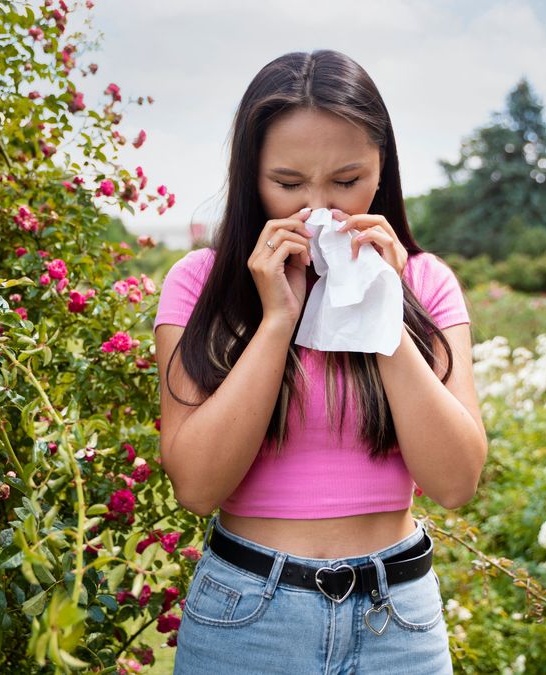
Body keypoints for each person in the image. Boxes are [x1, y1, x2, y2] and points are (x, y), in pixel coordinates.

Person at [153, 49, 487, 674]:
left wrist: (381, 312)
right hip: (248, 617)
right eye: (288, 184)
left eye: (346, 179)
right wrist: (279, 319)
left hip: (398, 621)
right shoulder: (201, 284)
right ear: (251, 175)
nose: (319, 209)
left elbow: (455, 481)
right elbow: (197, 487)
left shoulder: (426, 283)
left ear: (382, 169)